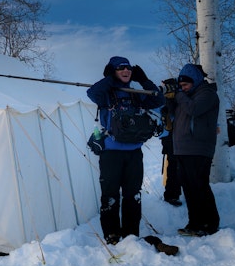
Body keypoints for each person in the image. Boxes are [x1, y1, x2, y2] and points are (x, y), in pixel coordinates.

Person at [86, 56, 164, 244]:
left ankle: (131, 234)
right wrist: (111, 79)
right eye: (120, 68)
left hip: (134, 153)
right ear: (113, 71)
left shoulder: (135, 93)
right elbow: (92, 93)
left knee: (133, 194)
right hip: (111, 153)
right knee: (110, 194)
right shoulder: (106, 94)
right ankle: (112, 234)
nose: (126, 71)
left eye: (128, 68)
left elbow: (158, 99)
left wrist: (143, 80)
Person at [172, 63, 220, 236]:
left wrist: (178, 95)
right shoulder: (186, 96)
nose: (183, 89)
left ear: (196, 81)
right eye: (181, 86)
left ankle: (210, 224)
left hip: (199, 148)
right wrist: (170, 97)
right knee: (189, 188)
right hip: (183, 148)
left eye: (185, 85)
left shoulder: (207, 94)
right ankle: (195, 223)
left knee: (199, 185)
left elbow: (194, 109)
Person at [159, 77, 183, 206]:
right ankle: (173, 193)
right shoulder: (178, 97)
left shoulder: (167, 98)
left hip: (169, 137)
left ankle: (171, 194)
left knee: (173, 166)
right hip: (177, 136)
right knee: (176, 166)